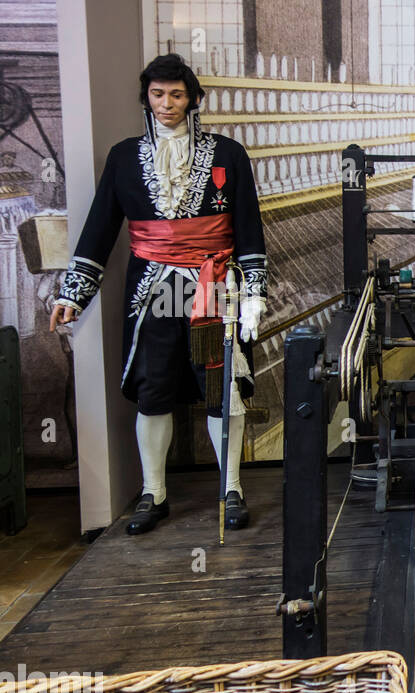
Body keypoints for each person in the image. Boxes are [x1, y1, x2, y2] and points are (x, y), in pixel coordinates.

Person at [49, 53, 266, 535]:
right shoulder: (123, 158)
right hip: (152, 291)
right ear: (146, 98)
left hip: (213, 286)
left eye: (176, 94)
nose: (166, 103)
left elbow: (249, 229)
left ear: (191, 99)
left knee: (221, 386)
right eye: (157, 94)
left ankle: (231, 488)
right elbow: (100, 229)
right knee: (152, 390)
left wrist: (254, 292)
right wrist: (74, 293)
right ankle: (154, 493)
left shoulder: (229, 153)